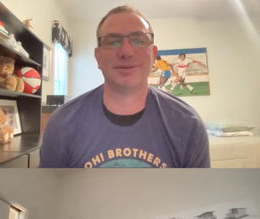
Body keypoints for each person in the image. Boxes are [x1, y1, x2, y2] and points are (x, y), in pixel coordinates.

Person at [39, 6, 210, 168]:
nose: (126, 52)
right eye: (113, 42)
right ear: (98, 57)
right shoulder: (62, 124)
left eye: (138, 40)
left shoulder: (188, 125)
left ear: (153, 54)